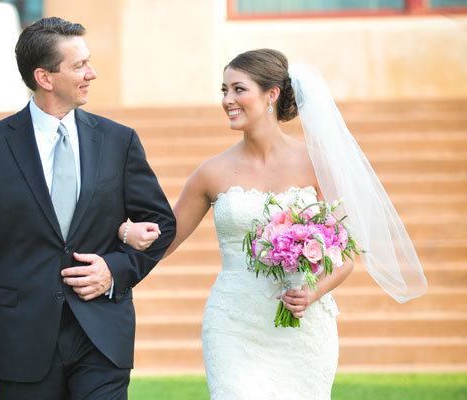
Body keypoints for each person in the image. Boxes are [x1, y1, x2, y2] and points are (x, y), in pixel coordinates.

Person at [122, 49, 427, 399]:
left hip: (303, 326)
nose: (227, 100)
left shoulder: (317, 164)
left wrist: (314, 292)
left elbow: (346, 256)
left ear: (272, 95)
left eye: (238, 89)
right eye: (224, 90)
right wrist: (123, 230)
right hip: (233, 324)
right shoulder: (211, 172)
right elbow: (164, 242)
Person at [0, 17, 175, 400]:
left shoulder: (119, 140)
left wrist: (114, 270)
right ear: (45, 78)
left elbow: (163, 222)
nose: (91, 73)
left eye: (89, 62)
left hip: (102, 334)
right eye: (79, 65)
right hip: (21, 336)